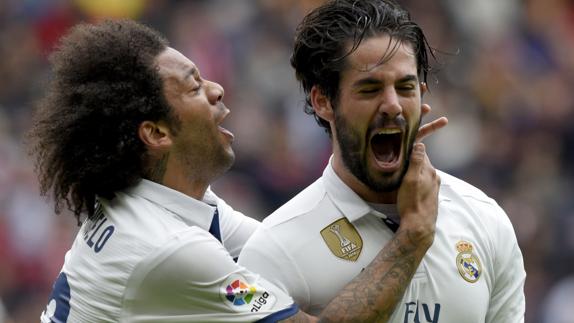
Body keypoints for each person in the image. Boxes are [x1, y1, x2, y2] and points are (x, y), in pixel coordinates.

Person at [29, 19, 446, 322]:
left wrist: (370, 149)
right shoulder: (167, 248)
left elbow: (289, 249)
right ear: (155, 133)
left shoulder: (174, 203)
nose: (216, 89)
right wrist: (411, 237)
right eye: (194, 87)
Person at [238, 0, 526, 322]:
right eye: (369, 89)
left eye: (405, 87)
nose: (392, 105)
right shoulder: (275, 250)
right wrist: (412, 237)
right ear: (323, 102)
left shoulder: (484, 220)